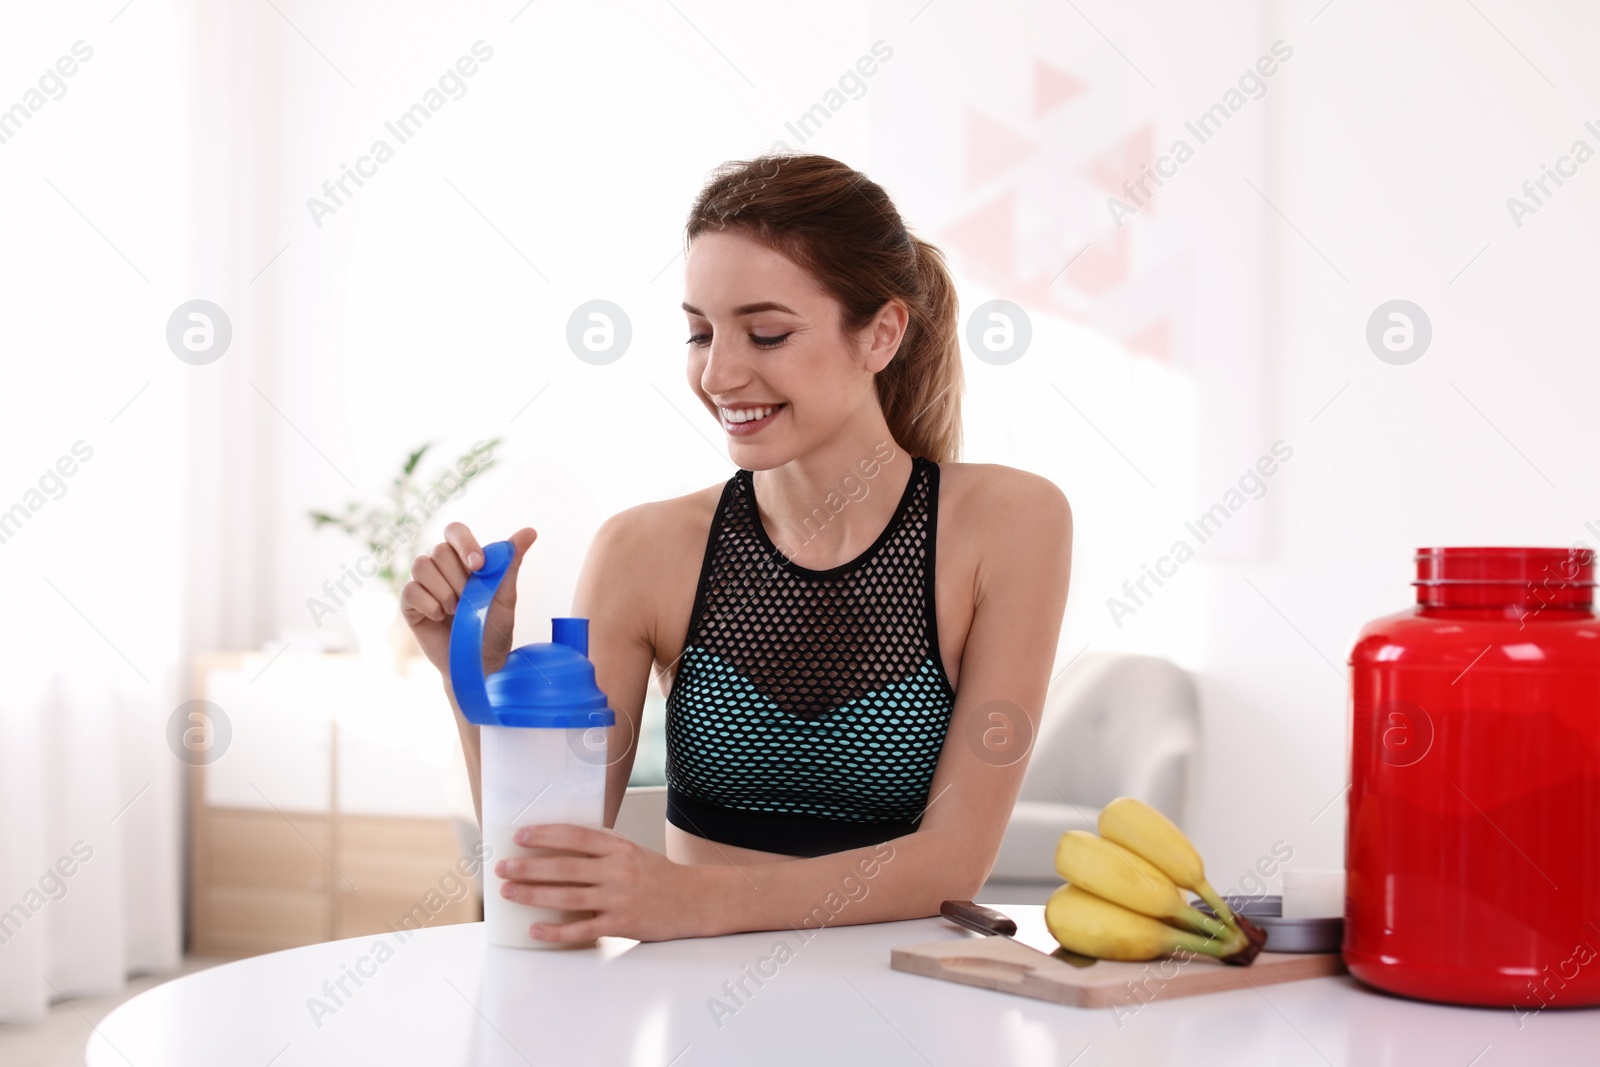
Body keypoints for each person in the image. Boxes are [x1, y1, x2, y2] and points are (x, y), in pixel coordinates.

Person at [401, 154, 1073, 943]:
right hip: (701, 1016)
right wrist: (471, 674)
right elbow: (549, 867)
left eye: (766, 333)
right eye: (698, 332)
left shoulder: (1009, 524)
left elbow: (953, 861)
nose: (718, 372)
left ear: (881, 334)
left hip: (910, 1007)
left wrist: (695, 900)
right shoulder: (643, 551)